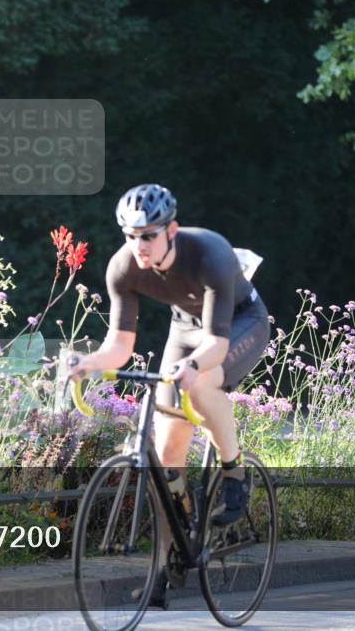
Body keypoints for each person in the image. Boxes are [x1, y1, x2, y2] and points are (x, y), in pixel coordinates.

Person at [68, 183, 270, 603]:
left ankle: (235, 473)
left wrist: (192, 367)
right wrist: (87, 363)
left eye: (148, 236)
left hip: (238, 324)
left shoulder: (210, 253)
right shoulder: (123, 267)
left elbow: (215, 346)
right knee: (165, 457)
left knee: (202, 384)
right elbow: (119, 347)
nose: (139, 245)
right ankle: (166, 564)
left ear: (171, 230)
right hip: (185, 329)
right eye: (130, 236)